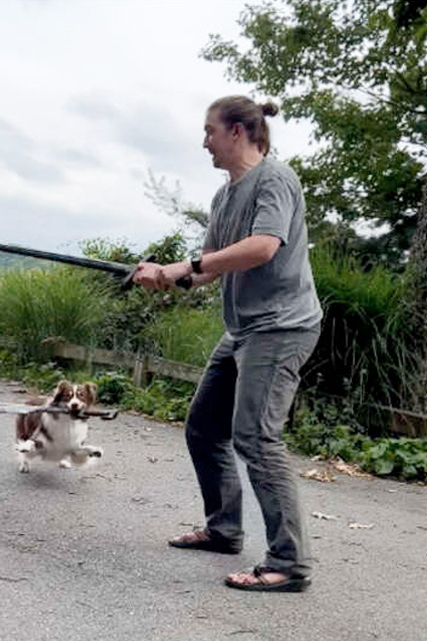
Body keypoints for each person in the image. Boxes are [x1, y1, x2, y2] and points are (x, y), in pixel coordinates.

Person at [133, 96, 322, 592]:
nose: (204, 142)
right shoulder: (224, 197)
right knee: (203, 428)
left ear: (237, 132)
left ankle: (289, 563)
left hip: (281, 327)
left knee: (257, 438)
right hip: (242, 328)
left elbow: (263, 247)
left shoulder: (275, 179)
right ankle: (224, 530)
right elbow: (209, 267)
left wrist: (187, 269)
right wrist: (164, 277)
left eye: (209, 131)